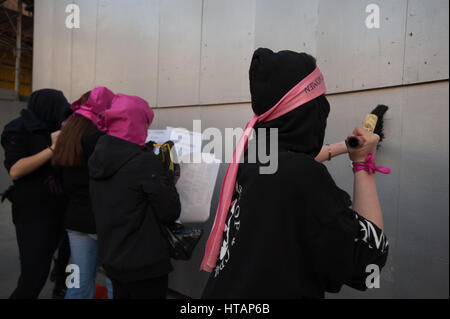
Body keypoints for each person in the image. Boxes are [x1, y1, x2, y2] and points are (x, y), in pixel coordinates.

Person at [201, 48, 389, 299]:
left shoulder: (255, 156)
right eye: (321, 102)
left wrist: (346, 147)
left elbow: (291, 162)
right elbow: (369, 260)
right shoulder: (303, 177)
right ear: (311, 112)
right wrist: (363, 164)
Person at [89, 94, 181, 299]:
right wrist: (166, 175)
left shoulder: (98, 155)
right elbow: (170, 211)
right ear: (137, 122)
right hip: (144, 264)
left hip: (112, 257)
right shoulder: (144, 163)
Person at [1, 89, 70, 299]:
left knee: (66, 265)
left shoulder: (56, 126)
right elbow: (16, 170)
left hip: (63, 208)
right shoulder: (18, 129)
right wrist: (52, 148)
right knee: (34, 276)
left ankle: (61, 286)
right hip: (34, 213)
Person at [52, 86, 115, 299]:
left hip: (75, 220)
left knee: (78, 282)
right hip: (103, 220)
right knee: (114, 280)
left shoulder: (67, 133)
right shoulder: (101, 139)